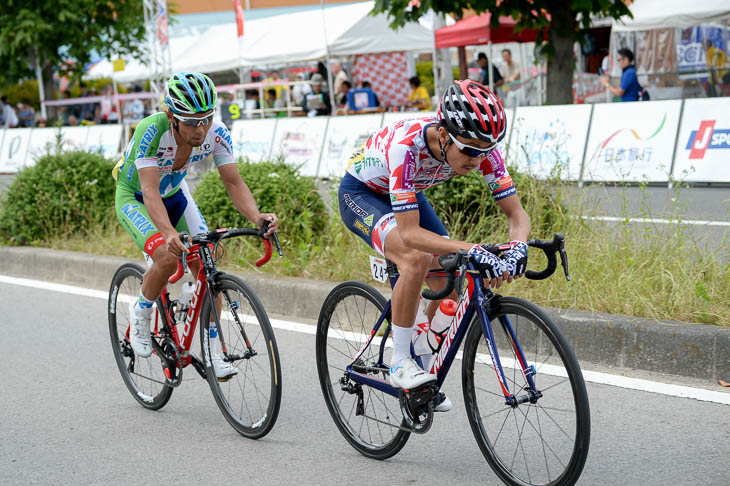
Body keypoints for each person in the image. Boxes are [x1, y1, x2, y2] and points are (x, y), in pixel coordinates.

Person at [338, 80, 530, 408]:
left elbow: (516, 214)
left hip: (408, 193)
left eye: (485, 150)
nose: (477, 159)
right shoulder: (407, 145)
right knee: (415, 258)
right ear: (444, 135)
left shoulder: (482, 149)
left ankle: (421, 361)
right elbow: (410, 234)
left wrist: (517, 248)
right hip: (362, 194)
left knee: (454, 281)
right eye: (469, 149)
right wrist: (474, 249)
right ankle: (400, 362)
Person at [113, 72, 279, 380]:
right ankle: (142, 312)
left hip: (175, 194)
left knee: (207, 263)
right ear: (171, 116)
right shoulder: (151, 130)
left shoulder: (216, 133)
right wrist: (168, 233)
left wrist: (257, 217)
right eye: (191, 122)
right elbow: (149, 191)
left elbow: (233, 181)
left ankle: (214, 350)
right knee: (165, 254)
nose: (200, 129)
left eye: (206, 118)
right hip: (135, 196)